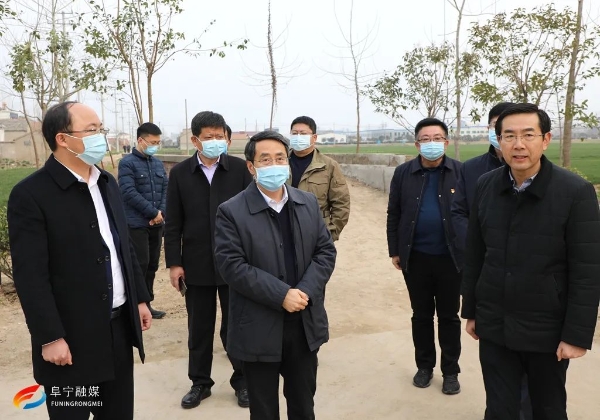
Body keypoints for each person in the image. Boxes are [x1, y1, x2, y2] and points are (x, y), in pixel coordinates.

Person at [7, 101, 152, 420]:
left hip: (117, 330)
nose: (100, 136)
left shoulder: (107, 183)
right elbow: (31, 276)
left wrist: (139, 299)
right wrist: (50, 336)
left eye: (101, 129)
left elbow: (121, 247)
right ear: (62, 139)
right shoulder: (31, 195)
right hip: (71, 339)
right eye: (91, 130)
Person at [461, 103, 600, 420]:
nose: (518, 144)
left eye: (528, 135)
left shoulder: (575, 192)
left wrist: (576, 335)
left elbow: (587, 270)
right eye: (509, 136)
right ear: (498, 140)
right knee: (499, 408)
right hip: (495, 325)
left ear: (545, 139)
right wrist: (471, 310)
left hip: (546, 329)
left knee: (547, 409)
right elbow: (475, 253)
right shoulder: (486, 185)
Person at [214, 130, 337, 420]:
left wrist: (304, 291)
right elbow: (232, 265)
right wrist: (282, 295)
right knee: (264, 409)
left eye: (280, 158)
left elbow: (325, 252)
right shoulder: (231, 211)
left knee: (303, 404)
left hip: (303, 323)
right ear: (251, 166)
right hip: (258, 325)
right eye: (265, 159)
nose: (274, 165)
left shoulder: (307, 203)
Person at [164, 111, 253, 409]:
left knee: (236, 325)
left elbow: (252, 215)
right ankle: (200, 383)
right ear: (195, 140)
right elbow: (173, 222)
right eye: (209, 137)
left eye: (220, 136)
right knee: (199, 327)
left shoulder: (239, 170)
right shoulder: (180, 174)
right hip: (196, 262)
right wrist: (174, 263)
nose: (216, 141)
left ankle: (243, 381)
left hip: (235, 263)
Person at [451, 102, 532, 420]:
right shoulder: (472, 170)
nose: (515, 142)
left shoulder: (544, 174)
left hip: (529, 280)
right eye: (503, 130)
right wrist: (479, 244)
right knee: (497, 365)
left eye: (524, 133)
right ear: (493, 132)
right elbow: (459, 212)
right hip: (489, 272)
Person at [386, 117, 463, 395]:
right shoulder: (403, 173)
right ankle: (424, 366)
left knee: (449, 316)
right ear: (417, 144)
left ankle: (451, 371)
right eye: (426, 139)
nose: (432, 143)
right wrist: (395, 249)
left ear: (446, 142)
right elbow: (394, 212)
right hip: (415, 257)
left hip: (450, 258)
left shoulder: (460, 172)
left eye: (437, 138)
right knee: (421, 315)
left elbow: (471, 215)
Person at [118, 122, 168, 319]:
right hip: (136, 224)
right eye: (152, 142)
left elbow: (165, 189)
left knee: (152, 265)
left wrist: (161, 213)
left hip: (156, 224)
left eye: (158, 142)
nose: (156, 145)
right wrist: (152, 212)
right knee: (139, 264)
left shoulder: (157, 164)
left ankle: (147, 303)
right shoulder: (127, 163)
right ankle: (134, 304)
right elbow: (128, 192)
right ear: (140, 140)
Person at [288, 116, 350, 241]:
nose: (298, 137)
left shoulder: (329, 166)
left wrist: (329, 235)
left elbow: (341, 203)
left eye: (303, 134)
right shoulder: (280, 163)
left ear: (314, 137)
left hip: (315, 233)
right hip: (283, 232)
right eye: (294, 133)